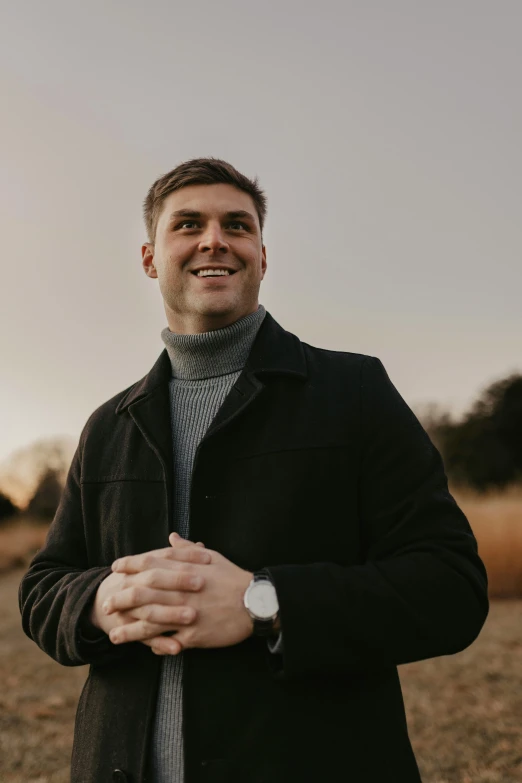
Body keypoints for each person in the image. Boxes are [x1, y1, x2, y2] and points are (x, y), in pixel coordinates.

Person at [19, 157, 489, 783]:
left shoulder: (354, 392)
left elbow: (450, 588)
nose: (214, 239)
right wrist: (101, 601)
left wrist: (261, 603)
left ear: (262, 256)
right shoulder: (109, 424)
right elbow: (43, 584)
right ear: (150, 258)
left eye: (237, 226)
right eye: (187, 224)